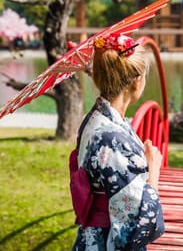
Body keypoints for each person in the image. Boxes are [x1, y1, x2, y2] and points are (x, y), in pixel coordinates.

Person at [70, 33, 165, 251]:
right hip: (105, 241)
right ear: (137, 81)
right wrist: (154, 171)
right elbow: (132, 229)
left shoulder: (96, 119)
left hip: (90, 237)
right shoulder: (112, 139)